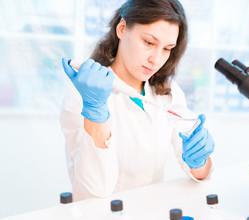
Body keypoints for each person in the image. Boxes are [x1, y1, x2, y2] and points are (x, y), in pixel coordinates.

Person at [60, 0, 215, 201]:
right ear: (122, 28)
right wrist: (96, 114)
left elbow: (200, 174)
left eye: (167, 48)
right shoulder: (84, 94)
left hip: (149, 215)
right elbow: (95, 191)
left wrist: (199, 160)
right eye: (149, 43)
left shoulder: (167, 93)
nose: (156, 59)